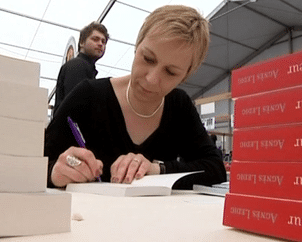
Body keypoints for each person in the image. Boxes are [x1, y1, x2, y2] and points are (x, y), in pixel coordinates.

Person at [44, 5, 227, 189]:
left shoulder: (179, 105)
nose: (152, 79)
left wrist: (156, 169)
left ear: (185, 76)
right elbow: (34, 161)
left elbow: (214, 168)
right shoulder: (88, 96)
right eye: (148, 58)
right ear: (137, 46)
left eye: (171, 72)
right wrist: (54, 172)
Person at [53, 21, 109, 115]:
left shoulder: (85, 67)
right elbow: (76, 107)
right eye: (95, 39)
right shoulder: (78, 66)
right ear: (82, 42)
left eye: (104, 42)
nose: (100, 44)